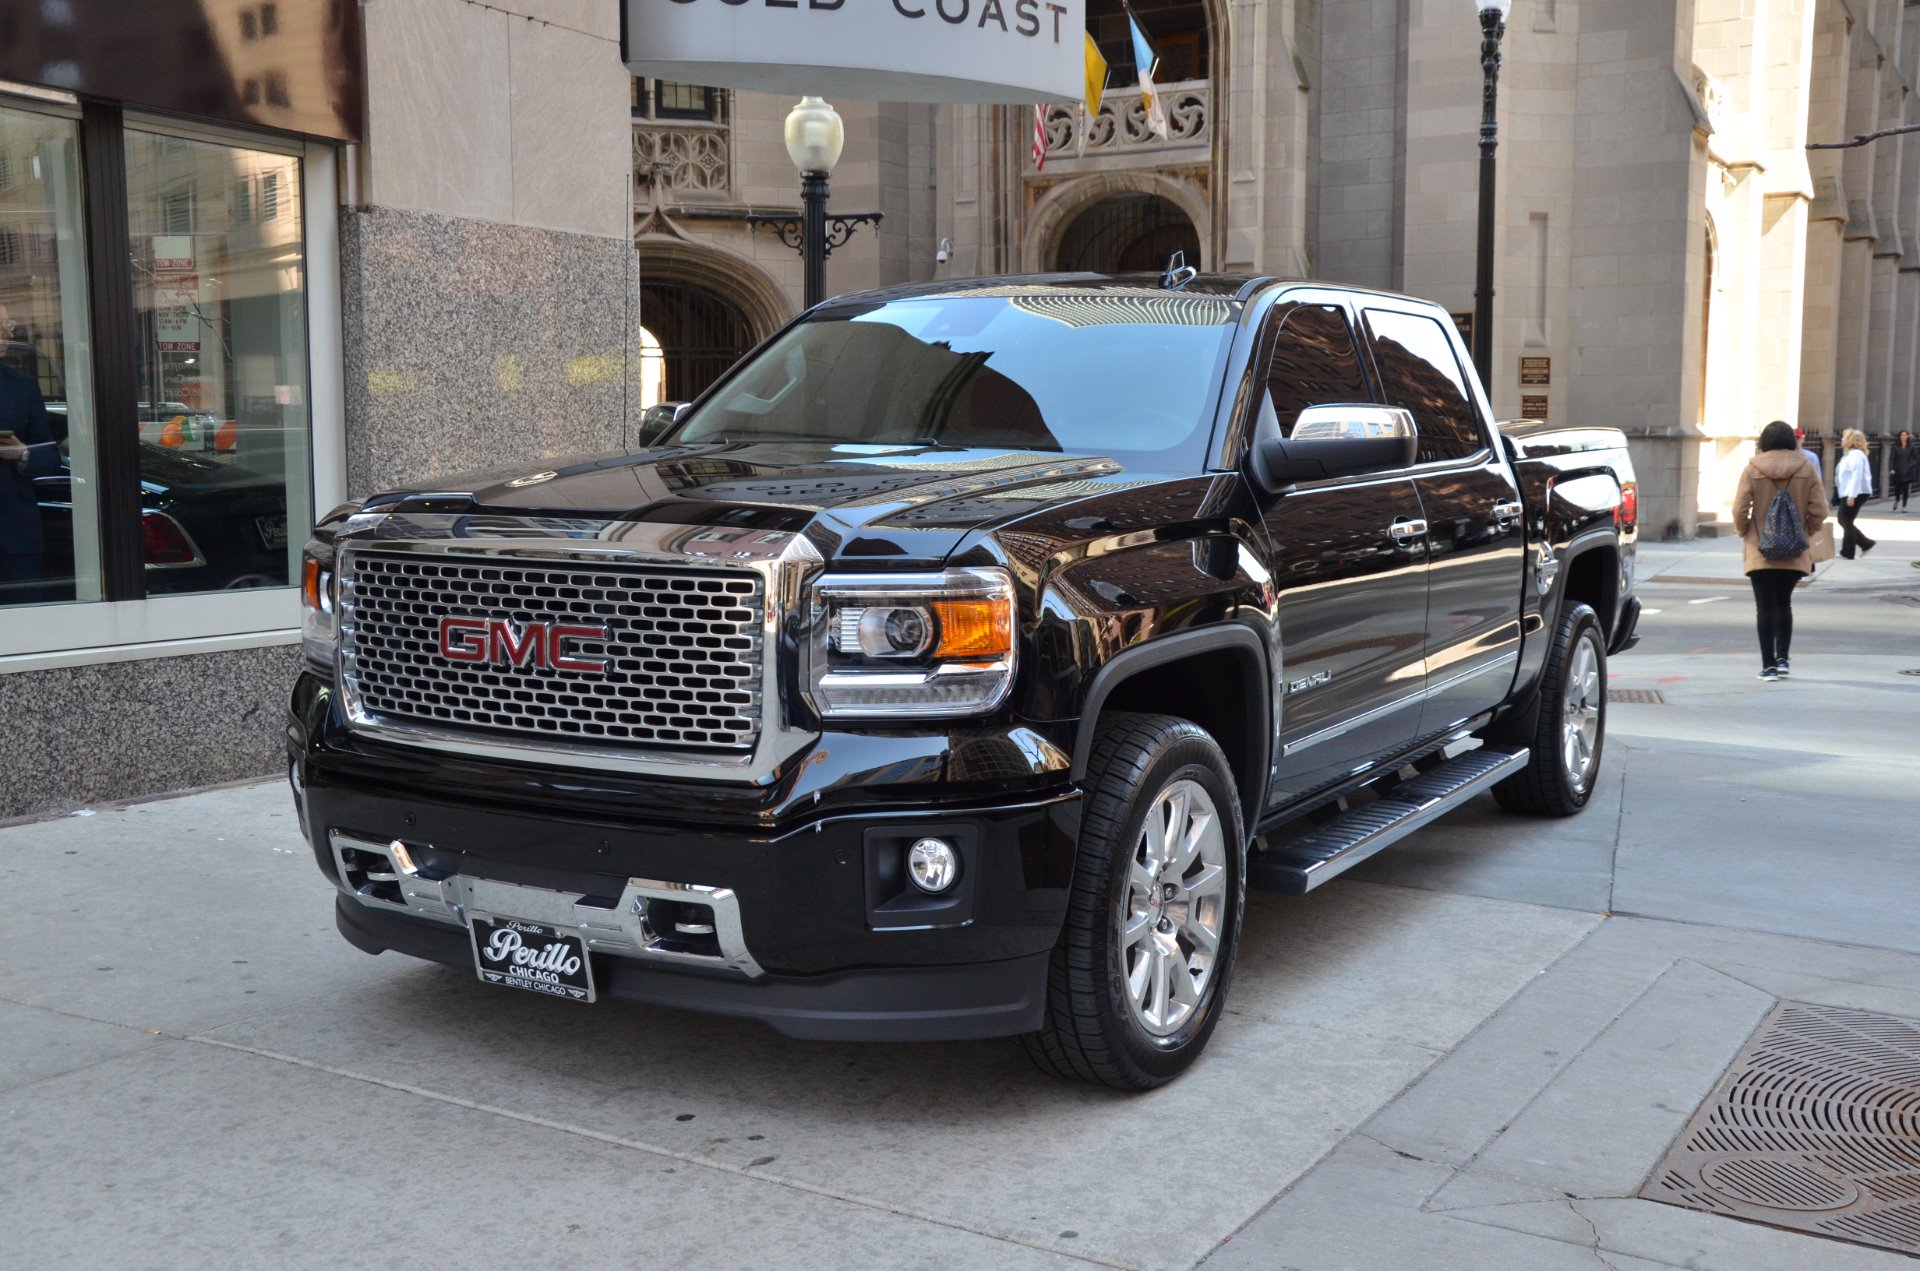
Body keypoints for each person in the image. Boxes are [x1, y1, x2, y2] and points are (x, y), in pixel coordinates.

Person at [1733, 421, 1830, 681]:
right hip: (1794, 550)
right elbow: (1820, 509)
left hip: (1759, 549)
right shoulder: (1806, 467)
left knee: (1764, 606)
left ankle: (1768, 667)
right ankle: (1783, 659)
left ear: (1763, 441)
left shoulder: (1753, 468)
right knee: (1783, 604)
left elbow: (1739, 509)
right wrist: (1805, 532)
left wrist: (1745, 531)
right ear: (1791, 440)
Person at [1834, 427, 1878, 559]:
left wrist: (1852, 495)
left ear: (1851, 440)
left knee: (1846, 520)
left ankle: (1848, 551)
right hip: (1850, 491)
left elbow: (1856, 475)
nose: (1841, 439)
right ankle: (1866, 544)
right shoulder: (1851, 454)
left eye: (1844, 437)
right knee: (1843, 520)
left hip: (1856, 492)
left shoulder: (1856, 455)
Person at [1892, 429, 1918, 513]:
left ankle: (1904, 506)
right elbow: (1892, 458)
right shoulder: (1895, 447)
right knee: (1897, 489)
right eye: (1902, 435)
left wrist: (1911, 465)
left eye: (1905, 435)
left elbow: (1915, 458)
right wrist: (1892, 468)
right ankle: (1897, 499)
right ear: (1899, 437)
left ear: (1907, 436)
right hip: (1898, 470)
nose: (1903, 437)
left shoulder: (1911, 447)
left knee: (1905, 490)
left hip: (1907, 471)